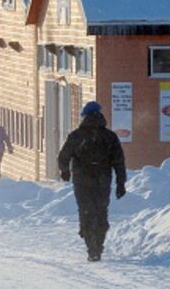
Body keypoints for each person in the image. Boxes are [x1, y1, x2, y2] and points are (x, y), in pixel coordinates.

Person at [58, 101, 126, 262]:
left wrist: (65, 171)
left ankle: (91, 247)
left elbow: (63, 156)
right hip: (103, 180)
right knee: (101, 212)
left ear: (84, 116)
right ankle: (99, 245)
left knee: (86, 211)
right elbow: (119, 161)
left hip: (82, 181)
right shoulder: (110, 136)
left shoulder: (76, 136)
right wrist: (121, 183)